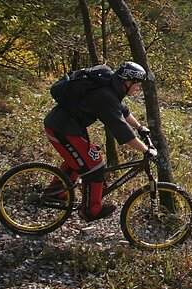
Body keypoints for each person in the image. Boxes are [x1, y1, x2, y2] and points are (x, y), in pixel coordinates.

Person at [43, 61, 156, 221]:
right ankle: (91, 211)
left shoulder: (111, 84)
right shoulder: (106, 97)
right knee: (94, 166)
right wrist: (146, 150)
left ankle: (57, 191)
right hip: (62, 129)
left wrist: (140, 127)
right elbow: (124, 133)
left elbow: (122, 111)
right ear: (128, 82)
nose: (137, 89)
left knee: (85, 158)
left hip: (66, 126)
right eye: (137, 85)